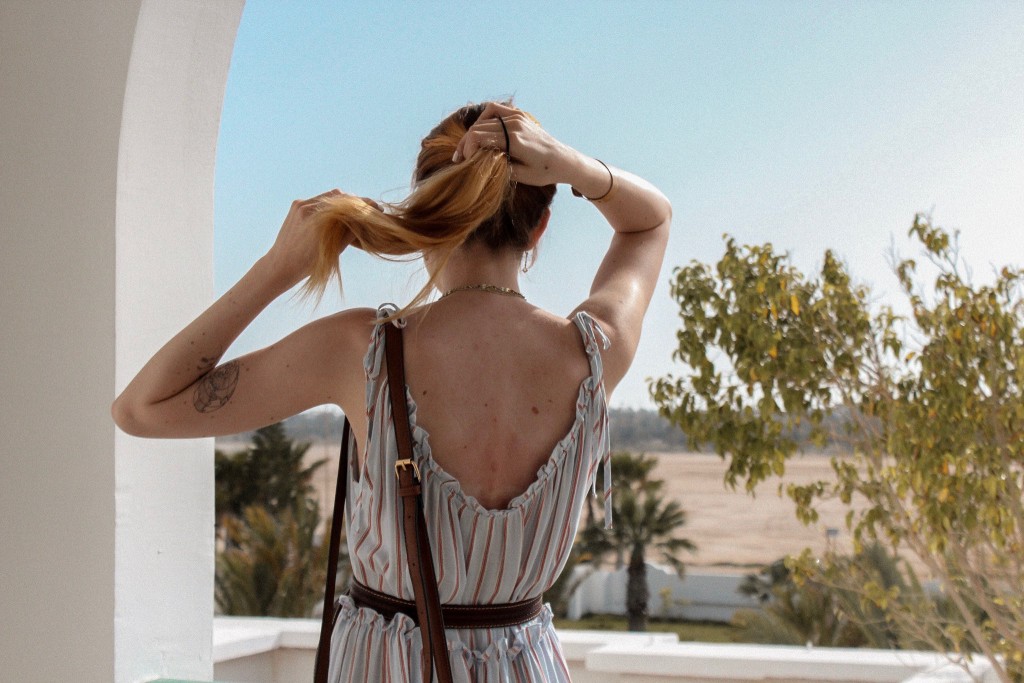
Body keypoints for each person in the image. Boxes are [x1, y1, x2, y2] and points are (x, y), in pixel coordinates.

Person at [112, 100, 671, 682]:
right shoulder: (593, 352)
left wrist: (278, 266)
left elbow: (143, 407)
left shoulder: (365, 351)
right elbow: (650, 220)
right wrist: (574, 166)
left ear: (434, 213)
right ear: (540, 226)